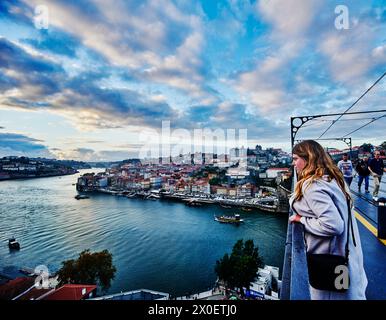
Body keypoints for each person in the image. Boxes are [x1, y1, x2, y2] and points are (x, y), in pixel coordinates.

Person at [289, 140, 367, 300]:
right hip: (344, 255)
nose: (293, 163)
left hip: (327, 258)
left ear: (308, 158)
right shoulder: (333, 179)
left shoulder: (313, 186)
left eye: (296, 158)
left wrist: (302, 219)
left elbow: (333, 225)